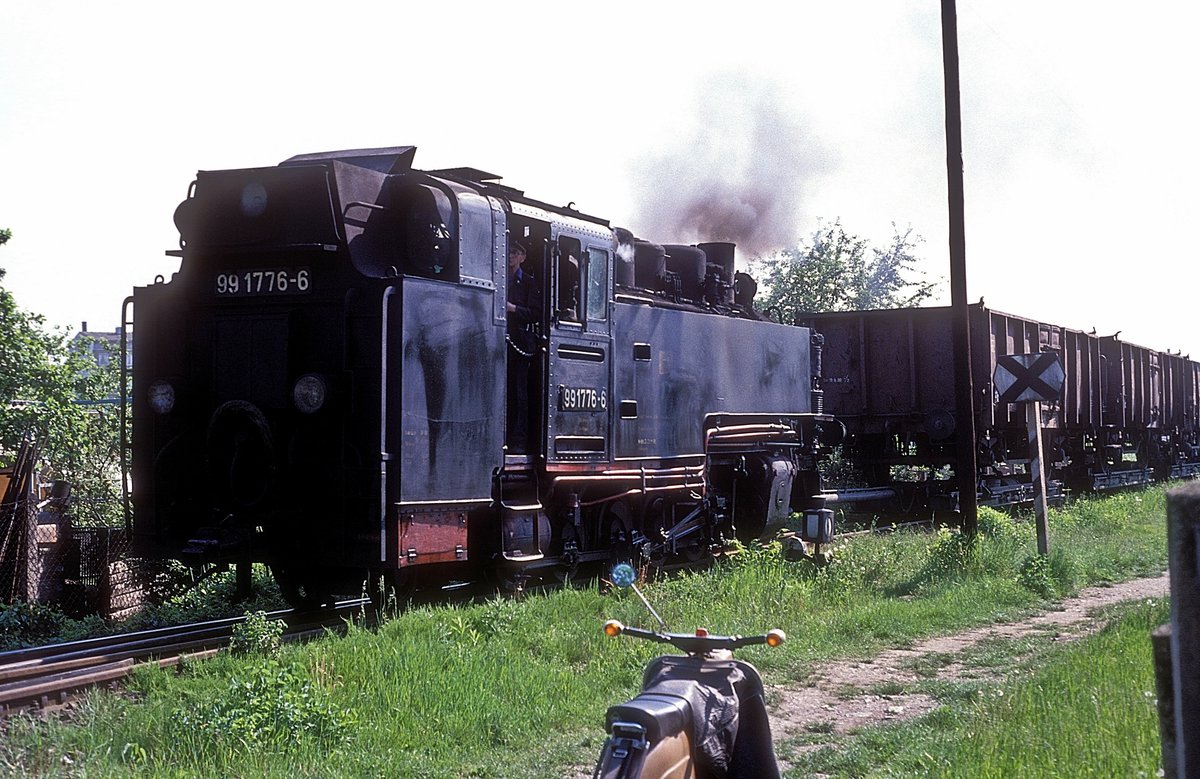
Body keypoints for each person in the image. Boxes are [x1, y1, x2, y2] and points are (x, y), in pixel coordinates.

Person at [506, 241, 541, 453]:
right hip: (504, 339)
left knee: (519, 390)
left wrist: (514, 309)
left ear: (522, 258)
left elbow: (536, 313)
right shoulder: (502, 278)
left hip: (520, 341)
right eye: (509, 252)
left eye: (515, 253)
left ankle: (519, 440)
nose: (510, 256)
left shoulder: (529, 283)